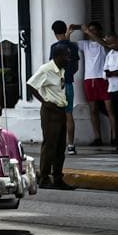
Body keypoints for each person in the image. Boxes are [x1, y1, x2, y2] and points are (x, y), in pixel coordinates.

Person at [24, 49, 72, 190]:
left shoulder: (61, 70)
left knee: (60, 146)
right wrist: (44, 101)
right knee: (50, 145)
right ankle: (44, 178)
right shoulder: (46, 69)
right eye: (66, 56)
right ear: (57, 57)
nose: (68, 59)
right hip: (50, 110)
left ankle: (57, 178)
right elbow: (30, 85)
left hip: (61, 109)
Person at [74, 22, 110, 148]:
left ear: (99, 31)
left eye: (94, 30)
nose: (91, 32)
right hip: (89, 78)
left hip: (103, 78)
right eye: (90, 30)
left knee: (110, 108)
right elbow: (68, 44)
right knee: (93, 109)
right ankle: (97, 137)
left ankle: (115, 136)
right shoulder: (85, 44)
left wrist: (87, 31)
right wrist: (69, 31)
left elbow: (104, 44)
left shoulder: (103, 42)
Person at [49, 21, 80, 154]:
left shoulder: (54, 47)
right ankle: (71, 145)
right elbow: (76, 67)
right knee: (69, 114)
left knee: (55, 115)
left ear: (55, 33)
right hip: (68, 83)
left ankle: (57, 143)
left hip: (57, 85)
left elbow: (52, 67)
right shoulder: (73, 47)